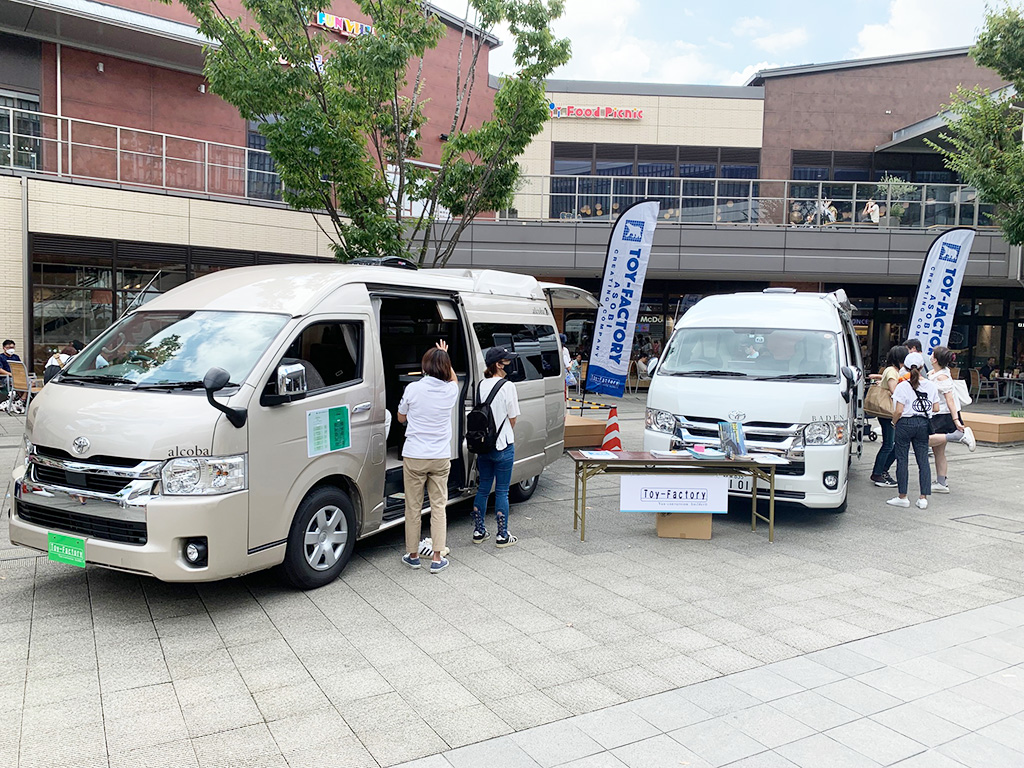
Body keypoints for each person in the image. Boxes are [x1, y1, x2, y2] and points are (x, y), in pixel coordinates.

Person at [397, 341, 459, 574]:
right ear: (445, 367)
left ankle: (413, 556)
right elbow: (453, 379)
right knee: (438, 507)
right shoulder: (450, 390)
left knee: (413, 507)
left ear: (424, 367)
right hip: (440, 457)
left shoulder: (412, 389)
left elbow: (401, 418)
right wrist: (444, 356)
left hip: (414, 455)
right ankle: (436, 558)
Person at [471, 346, 522, 548]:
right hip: (503, 445)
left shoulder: (480, 385)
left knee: (483, 488)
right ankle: (502, 535)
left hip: (483, 445)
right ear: (499, 364)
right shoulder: (508, 386)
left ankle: (479, 531)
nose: (509, 365)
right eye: (507, 361)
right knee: (502, 491)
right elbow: (513, 418)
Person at [887, 352, 940, 509]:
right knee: (923, 460)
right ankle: (923, 498)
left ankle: (902, 496)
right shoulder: (931, 385)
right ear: (922, 367)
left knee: (902, 459)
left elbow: (898, 410)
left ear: (905, 367)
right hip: (923, 424)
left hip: (904, 423)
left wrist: (893, 422)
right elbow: (936, 408)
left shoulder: (902, 386)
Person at [927, 346, 976, 494]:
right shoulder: (938, 373)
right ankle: (941, 482)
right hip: (940, 414)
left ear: (935, 360)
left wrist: (956, 421)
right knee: (938, 451)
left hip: (943, 415)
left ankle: (958, 435)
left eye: (932, 354)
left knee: (924, 440)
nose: (930, 356)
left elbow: (950, 400)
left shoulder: (942, 377)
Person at [870, 345, 907, 488]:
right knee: (889, 444)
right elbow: (894, 391)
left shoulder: (892, 370)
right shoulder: (892, 371)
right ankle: (879, 473)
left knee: (892, 444)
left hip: (888, 413)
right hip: (888, 413)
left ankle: (881, 471)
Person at [1, 340, 24, 412]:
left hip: (17, 377)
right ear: (4, 348)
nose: (11, 349)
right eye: (9, 347)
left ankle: (21, 400)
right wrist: (10, 374)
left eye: (12, 347)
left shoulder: (16, 357)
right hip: (5, 378)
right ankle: (20, 401)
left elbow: (20, 368)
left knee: (29, 383)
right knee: (17, 383)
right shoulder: (1, 357)